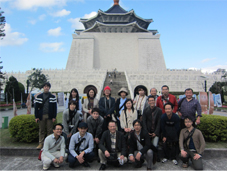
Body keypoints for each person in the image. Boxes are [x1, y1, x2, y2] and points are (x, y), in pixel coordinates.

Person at [35, 82, 57, 149]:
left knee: (49, 130)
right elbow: (36, 108)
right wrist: (36, 117)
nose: (46, 87)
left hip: (49, 116)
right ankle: (41, 143)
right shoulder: (39, 97)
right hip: (42, 115)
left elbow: (55, 108)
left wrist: (54, 116)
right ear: (43, 87)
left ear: (49, 88)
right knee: (41, 130)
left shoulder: (52, 97)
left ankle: (48, 144)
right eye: (45, 86)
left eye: (47, 86)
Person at [143, 96, 162, 161]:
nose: (151, 102)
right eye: (150, 101)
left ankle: (155, 157)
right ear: (148, 102)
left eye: (152, 100)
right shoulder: (145, 110)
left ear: (155, 101)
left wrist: (156, 132)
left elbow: (159, 122)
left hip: (156, 131)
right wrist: (146, 132)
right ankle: (149, 157)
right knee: (148, 144)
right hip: (148, 131)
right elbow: (144, 121)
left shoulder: (159, 110)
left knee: (155, 144)